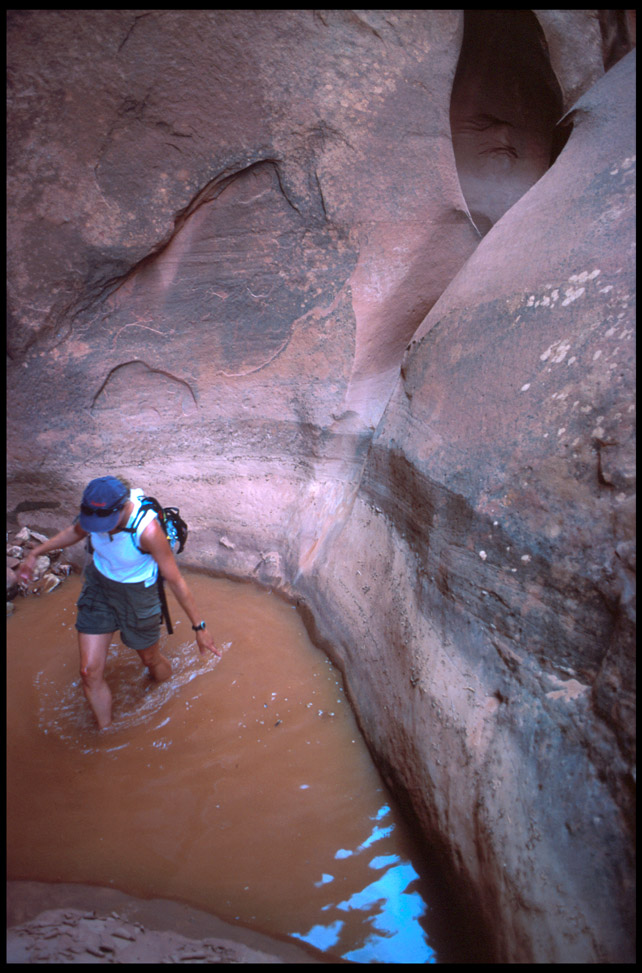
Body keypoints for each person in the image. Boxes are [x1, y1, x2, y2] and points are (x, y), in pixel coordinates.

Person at [18, 476, 220, 730]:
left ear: (124, 507)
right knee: (88, 672)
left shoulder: (147, 531)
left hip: (138, 596)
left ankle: (171, 698)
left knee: (150, 660)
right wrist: (35, 552)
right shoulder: (95, 512)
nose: (101, 529)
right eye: (96, 523)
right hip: (99, 586)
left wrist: (199, 627)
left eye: (106, 523)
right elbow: (75, 531)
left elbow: (175, 580)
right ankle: (106, 732)